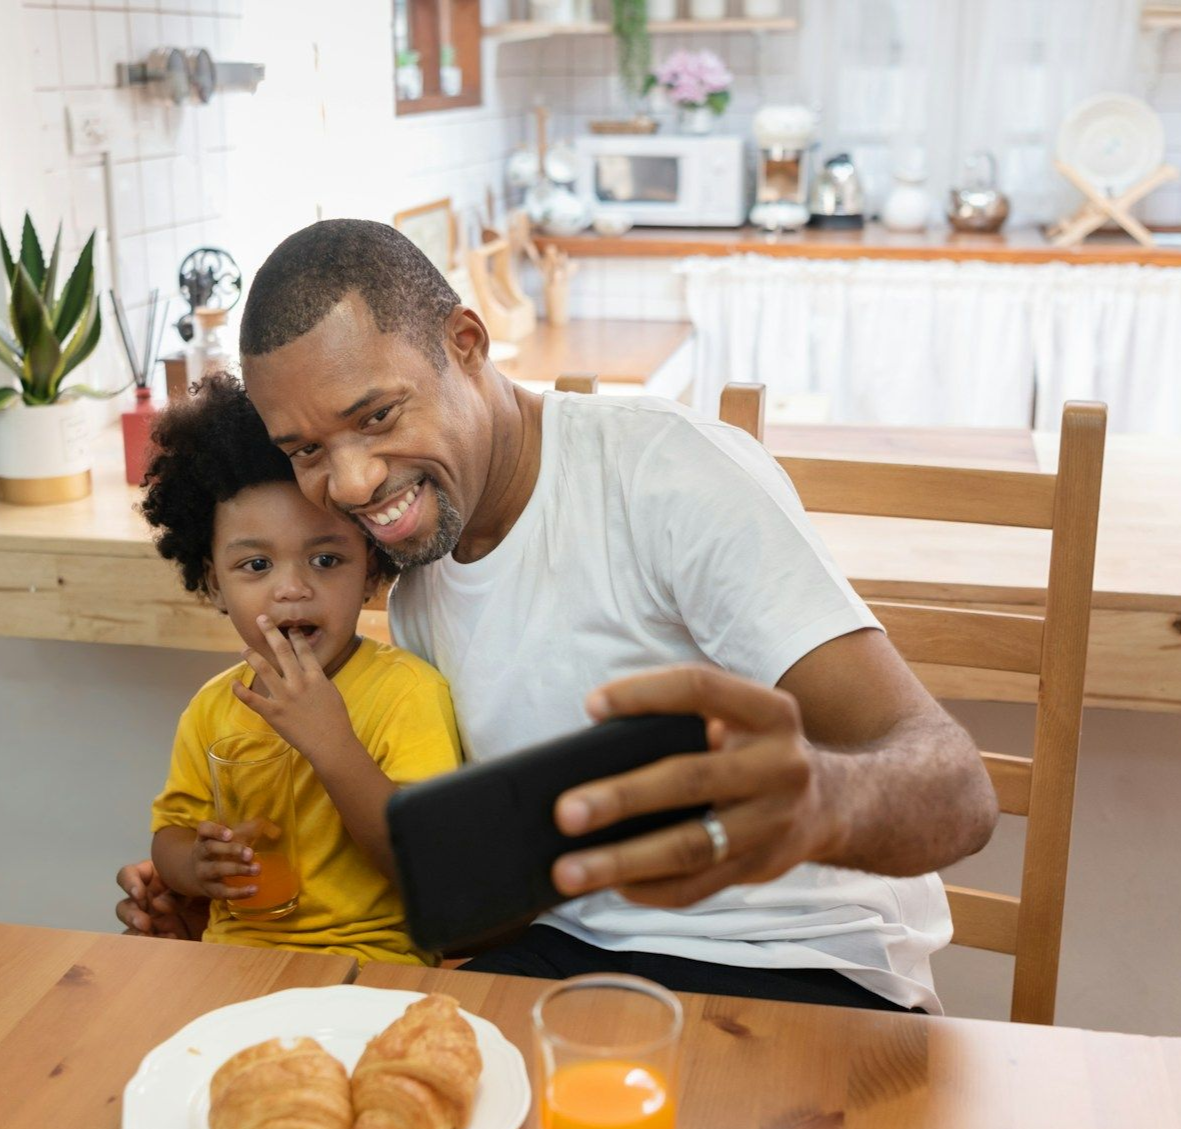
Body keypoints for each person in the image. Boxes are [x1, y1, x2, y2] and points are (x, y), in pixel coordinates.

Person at [120, 220, 997, 1013]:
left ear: (465, 343)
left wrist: (818, 802)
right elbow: (480, 905)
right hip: (565, 962)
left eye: (378, 416)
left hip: (798, 970)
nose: (349, 485)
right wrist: (207, 906)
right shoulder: (423, 576)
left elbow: (960, 793)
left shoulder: (663, 477)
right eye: (307, 450)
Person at [120, 371, 460, 965]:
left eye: (326, 559)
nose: (292, 590)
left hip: (374, 964)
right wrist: (197, 868)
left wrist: (332, 744)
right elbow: (171, 833)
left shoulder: (407, 693)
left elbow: (429, 867)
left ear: (373, 574)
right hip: (233, 959)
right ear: (212, 582)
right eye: (255, 565)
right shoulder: (212, 708)